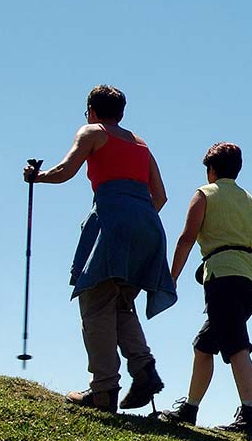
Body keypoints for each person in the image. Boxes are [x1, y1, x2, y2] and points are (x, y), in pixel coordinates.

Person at [24, 85, 176, 413]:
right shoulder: (141, 145)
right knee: (121, 305)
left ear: (92, 110)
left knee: (95, 304)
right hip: (149, 227)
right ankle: (144, 370)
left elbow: (66, 171)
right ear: (121, 112)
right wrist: (136, 218)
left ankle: (104, 391)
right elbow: (161, 196)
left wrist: (37, 177)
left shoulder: (93, 131)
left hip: (114, 222)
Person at [158, 142, 252, 440]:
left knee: (236, 345)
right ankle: (190, 409)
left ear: (211, 170)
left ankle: (250, 418)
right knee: (204, 344)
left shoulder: (205, 194)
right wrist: (250, 269)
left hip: (223, 276)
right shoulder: (251, 202)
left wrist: (172, 277)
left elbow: (186, 238)